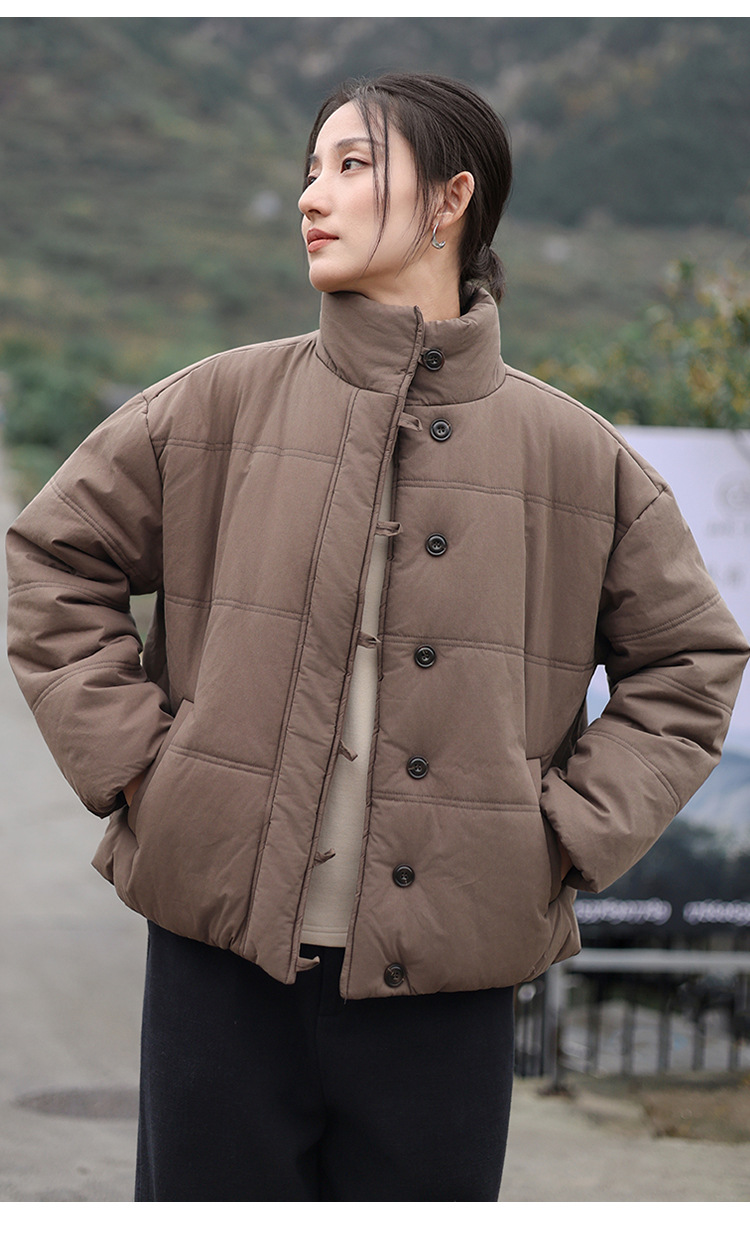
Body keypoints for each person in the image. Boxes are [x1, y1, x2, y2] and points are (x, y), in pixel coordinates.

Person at [5, 72, 748, 1203]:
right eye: (311, 169)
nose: (314, 195)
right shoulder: (211, 407)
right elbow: (54, 559)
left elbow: (690, 664)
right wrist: (153, 774)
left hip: (452, 986)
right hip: (219, 966)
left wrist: (561, 834)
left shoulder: (579, 460)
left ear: (453, 198)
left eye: (353, 165)